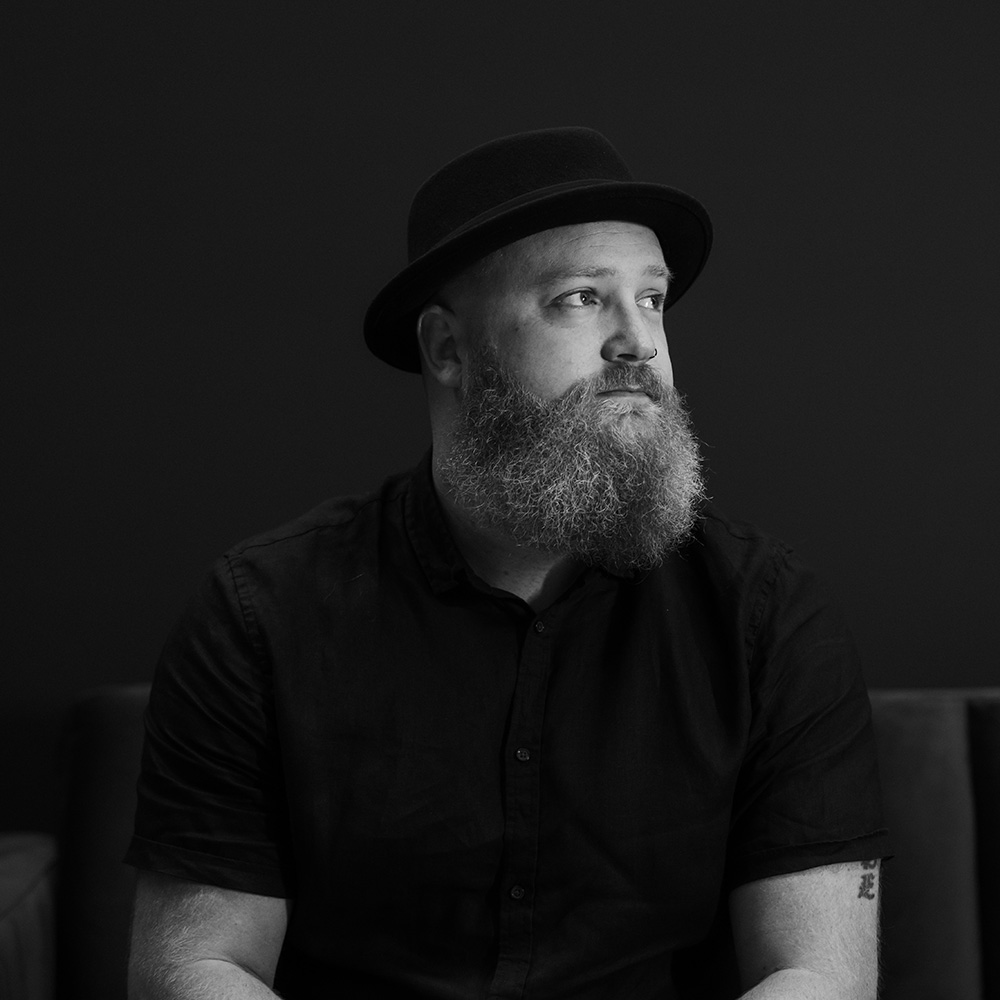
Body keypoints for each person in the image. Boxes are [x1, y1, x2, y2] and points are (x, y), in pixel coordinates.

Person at [125, 127, 888, 1000]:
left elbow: (819, 974)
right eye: (580, 298)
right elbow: (191, 966)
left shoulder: (767, 615)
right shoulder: (263, 614)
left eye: (652, 299)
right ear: (448, 349)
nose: (638, 343)